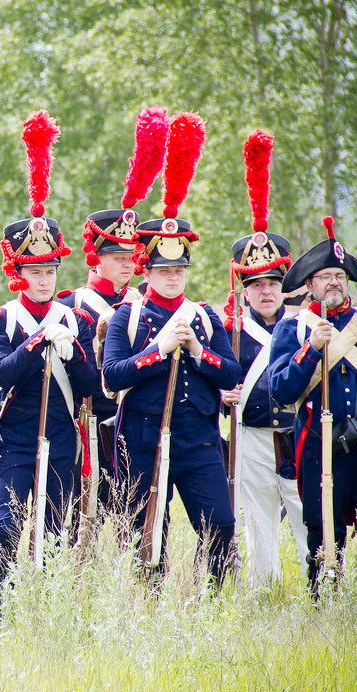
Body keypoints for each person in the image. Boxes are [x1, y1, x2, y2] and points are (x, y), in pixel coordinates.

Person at [103, 112, 242, 589]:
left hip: (198, 439)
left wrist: (198, 351)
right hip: (142, 439)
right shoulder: (128, 315)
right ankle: (149, 608)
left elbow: (229, 373)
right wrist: (160, 349)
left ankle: (216, 602)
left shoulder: (203, 315)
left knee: (220, 526)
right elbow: (114, 375)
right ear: (148, 272)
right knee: (145, 538)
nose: (173, 277)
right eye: (164, 271)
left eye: (179, 270)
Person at [0, 110, 97, 592]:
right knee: (4, 527)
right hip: (14, 437)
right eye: (36, 272)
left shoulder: (77, 321)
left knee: (55, 536)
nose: (45, 279)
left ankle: (46, 609)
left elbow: (91, 388)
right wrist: (39, 340)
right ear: (19, 273)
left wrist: (72, 355)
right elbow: (2, 371)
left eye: (50, 271)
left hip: (61, 434)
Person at [268, 216, 357, 595]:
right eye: (325, 276)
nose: (334, 282)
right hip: (317, 446)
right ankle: (323, 602)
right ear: (309, 285)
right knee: (322, 531)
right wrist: (311, 349)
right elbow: (280, 390)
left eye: (339, 275)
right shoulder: (293, 330)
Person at [59, 106, 167, 524]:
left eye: (131, 255)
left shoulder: (143, 306)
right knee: (77, 525)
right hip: (86, 427)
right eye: (117, 256)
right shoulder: (71, 306)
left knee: (140, 523)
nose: (127, 263)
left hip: (134, 427)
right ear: (95, 258)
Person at [220, 129, 305, 587]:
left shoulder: (305, 325)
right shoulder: (228, 330)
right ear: (245, 288)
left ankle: (323, 591)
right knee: (257, 526)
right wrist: (222, 397)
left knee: (309, 518)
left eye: (273, 282)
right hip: (250, 434)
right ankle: (263, 595)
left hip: (300, 431)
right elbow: (211, 378)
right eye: (256, 284)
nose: (266, 290)